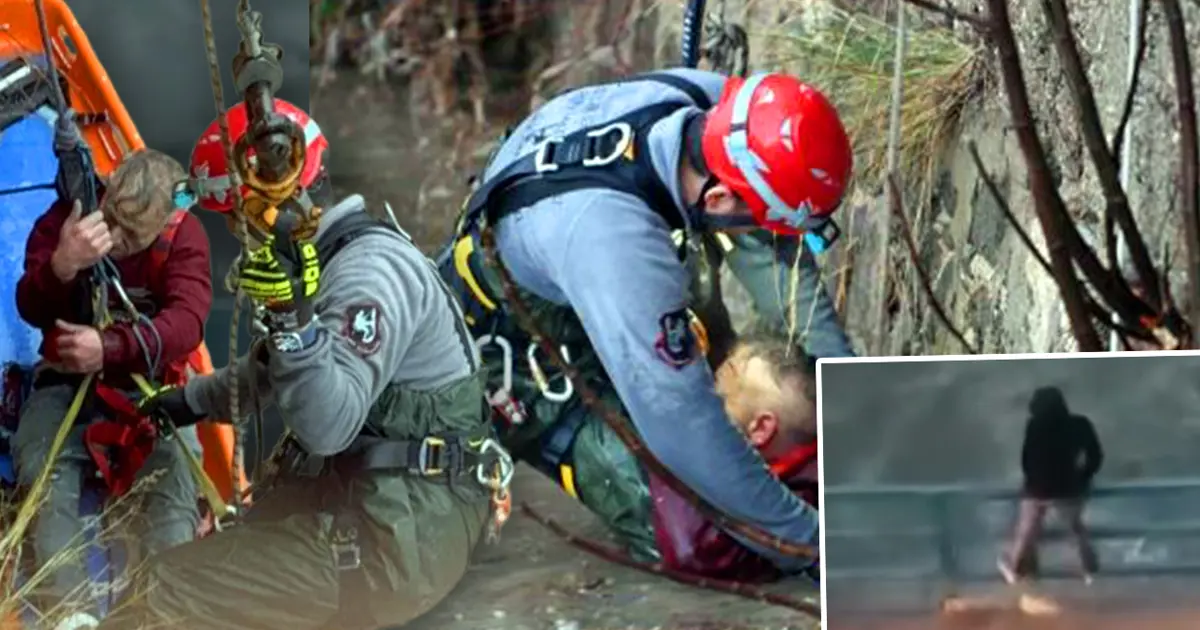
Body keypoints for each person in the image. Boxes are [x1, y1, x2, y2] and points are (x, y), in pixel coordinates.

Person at [96, 98, 511, 630]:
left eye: (237, 223)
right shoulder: (331, 261)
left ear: (275, 207)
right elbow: (269, 372)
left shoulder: (368, 275)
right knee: (230, 547)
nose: (236, 239)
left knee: (168, 587)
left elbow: (327, 428)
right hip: (387, 508)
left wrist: (293, 319)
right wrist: (184, 403)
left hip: (401, 541)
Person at [437, 68, 852, 575]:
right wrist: (814, 547)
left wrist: (853, 403)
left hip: (575, 269)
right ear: (719, 199)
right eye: (762, 220)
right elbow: (682, 424)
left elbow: (777, 266)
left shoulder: (716, 108)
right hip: (515, 358)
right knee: (697, 536)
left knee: (717, 366)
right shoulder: (618, 245)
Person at [13, 148, 210, 618]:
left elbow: (187, 323)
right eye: (113, 223)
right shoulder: (69, 218)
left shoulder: (183, 237)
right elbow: (30, 307)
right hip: (65, 384)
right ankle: (69, 612)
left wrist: (110, 347)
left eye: (131, 235)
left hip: (147, 388)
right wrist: (63, 263)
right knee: (43, 471)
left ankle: (159, 617)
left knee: (172, 494)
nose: (115, 240)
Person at [650, 333, 821, 581]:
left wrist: (679, 436)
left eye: (722, 394)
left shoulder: (803, 493)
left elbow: (691, 551)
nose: (709, 395)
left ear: (760, 428)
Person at [998, 386, 1103, 585]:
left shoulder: (1035, 425)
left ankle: (1016, 570)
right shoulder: (1080, 424)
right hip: (1070, 487)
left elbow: (1027, 460)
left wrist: (1033, 483)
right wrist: (1083, 476)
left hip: (1038, 489)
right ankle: (1090, 572)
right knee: (1076, 531)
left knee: (1026, 531)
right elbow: (1095, 456)